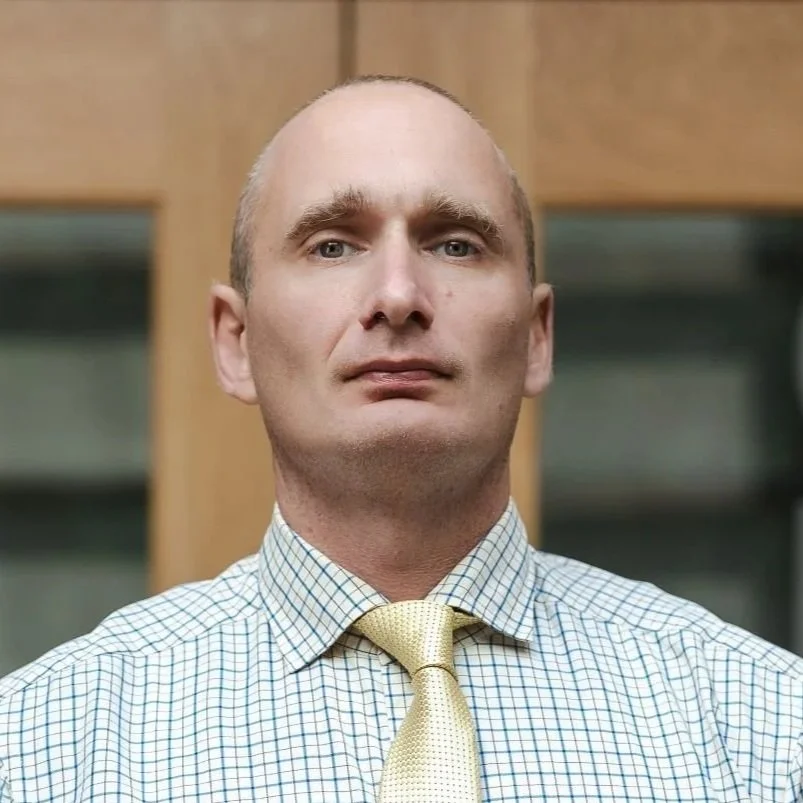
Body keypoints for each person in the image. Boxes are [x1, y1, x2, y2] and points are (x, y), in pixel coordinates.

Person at [1, 74, 801, 803]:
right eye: (332, 245)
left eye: (454, 242)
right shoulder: (47, 749)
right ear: (235, 341)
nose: (396, 296)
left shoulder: (760, 729)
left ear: (534, 336)